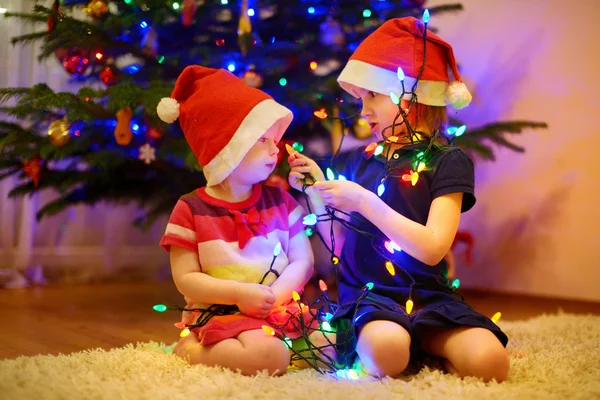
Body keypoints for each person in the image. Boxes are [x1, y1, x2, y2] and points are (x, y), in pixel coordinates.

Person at [288, 17, 509, 382]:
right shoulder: (359, 162)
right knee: (387, 353)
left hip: (429, 297)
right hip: (372, 298)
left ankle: (422, 338)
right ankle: (390, 341)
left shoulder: (448, 161)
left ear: (410, 95)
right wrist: (316, 193)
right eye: (360, 100)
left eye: (371, 96)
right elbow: (338, 244)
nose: (363, 112)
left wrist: (363, 201)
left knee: (491, 364)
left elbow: (434, 248)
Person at [157, 66, 318, 376]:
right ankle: (191, 350)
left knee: (334, 342)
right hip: (221, 312)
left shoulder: (281, 202)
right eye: (261, 140)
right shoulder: (190, 209)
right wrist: (239, 295)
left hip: (277, 307)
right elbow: (186, 278)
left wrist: (274, 298)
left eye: (274, 139)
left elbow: (303, 260)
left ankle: (256, 347)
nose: (276, 149)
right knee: (270, 357)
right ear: (226, 151)